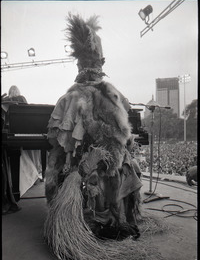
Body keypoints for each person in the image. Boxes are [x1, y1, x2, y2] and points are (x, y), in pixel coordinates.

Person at [45, 13, 142, 239]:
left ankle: (78, 219)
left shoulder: (66, 99)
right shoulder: (115, 95)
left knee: (64, 164)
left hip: (80, 173)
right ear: (102, 63)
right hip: (110, 171)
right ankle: (119, 217)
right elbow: (127, 134)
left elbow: (53, 139)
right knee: (124, 161)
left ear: (78, 65)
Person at [2, 86, 42, 214]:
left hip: (12, 135)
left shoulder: (7, 102)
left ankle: (16, 189)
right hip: (28, 131)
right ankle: (36, 176)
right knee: (30, 152)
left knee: (17, 153)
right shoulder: (22, 100)